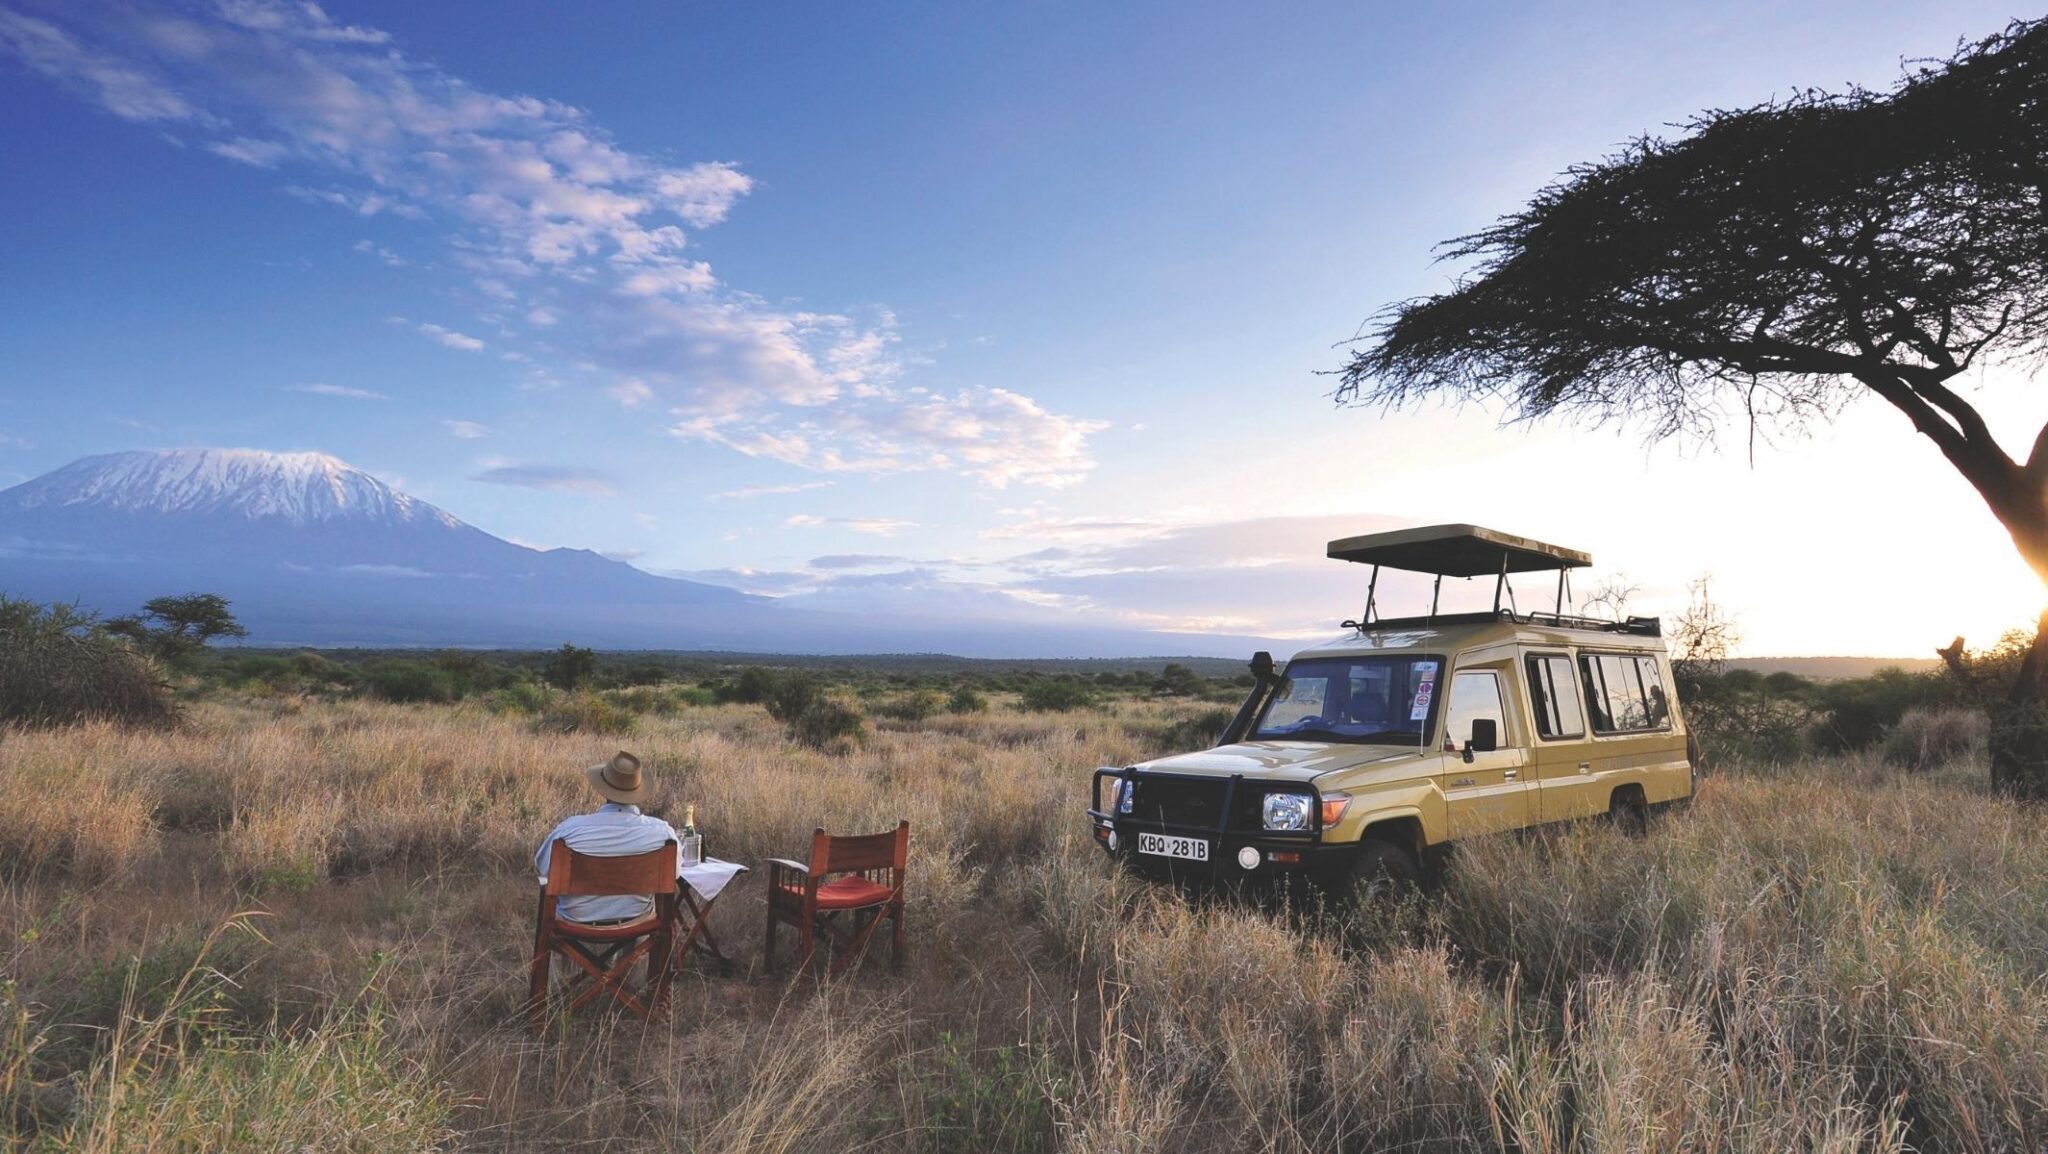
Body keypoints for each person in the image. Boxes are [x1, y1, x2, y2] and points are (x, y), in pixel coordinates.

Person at [533, 751, 678, 924]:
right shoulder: (661, 833)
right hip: (637, 920)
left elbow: (543, 866)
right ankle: (635, 950)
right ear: (638, 791)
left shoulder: (569, 830)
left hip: (575, 920)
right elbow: (673, 875)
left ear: (604, 790)